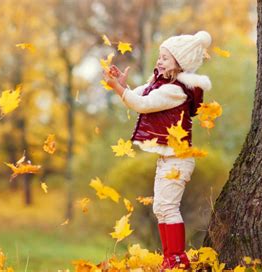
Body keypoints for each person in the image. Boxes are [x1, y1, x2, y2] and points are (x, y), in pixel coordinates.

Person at [103, 31, 212, 270]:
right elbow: (139, 94)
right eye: (160, 56)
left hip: (178, 159)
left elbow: (142, 104)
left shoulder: (175, 90)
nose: (159, 60)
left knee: (168, 208)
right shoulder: (160, 83)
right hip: (168, 158)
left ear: (179, 63)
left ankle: (177, 260)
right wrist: (123, 85)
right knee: (161, 208)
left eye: (165, 57)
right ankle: (169, 258)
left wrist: (117, 90)